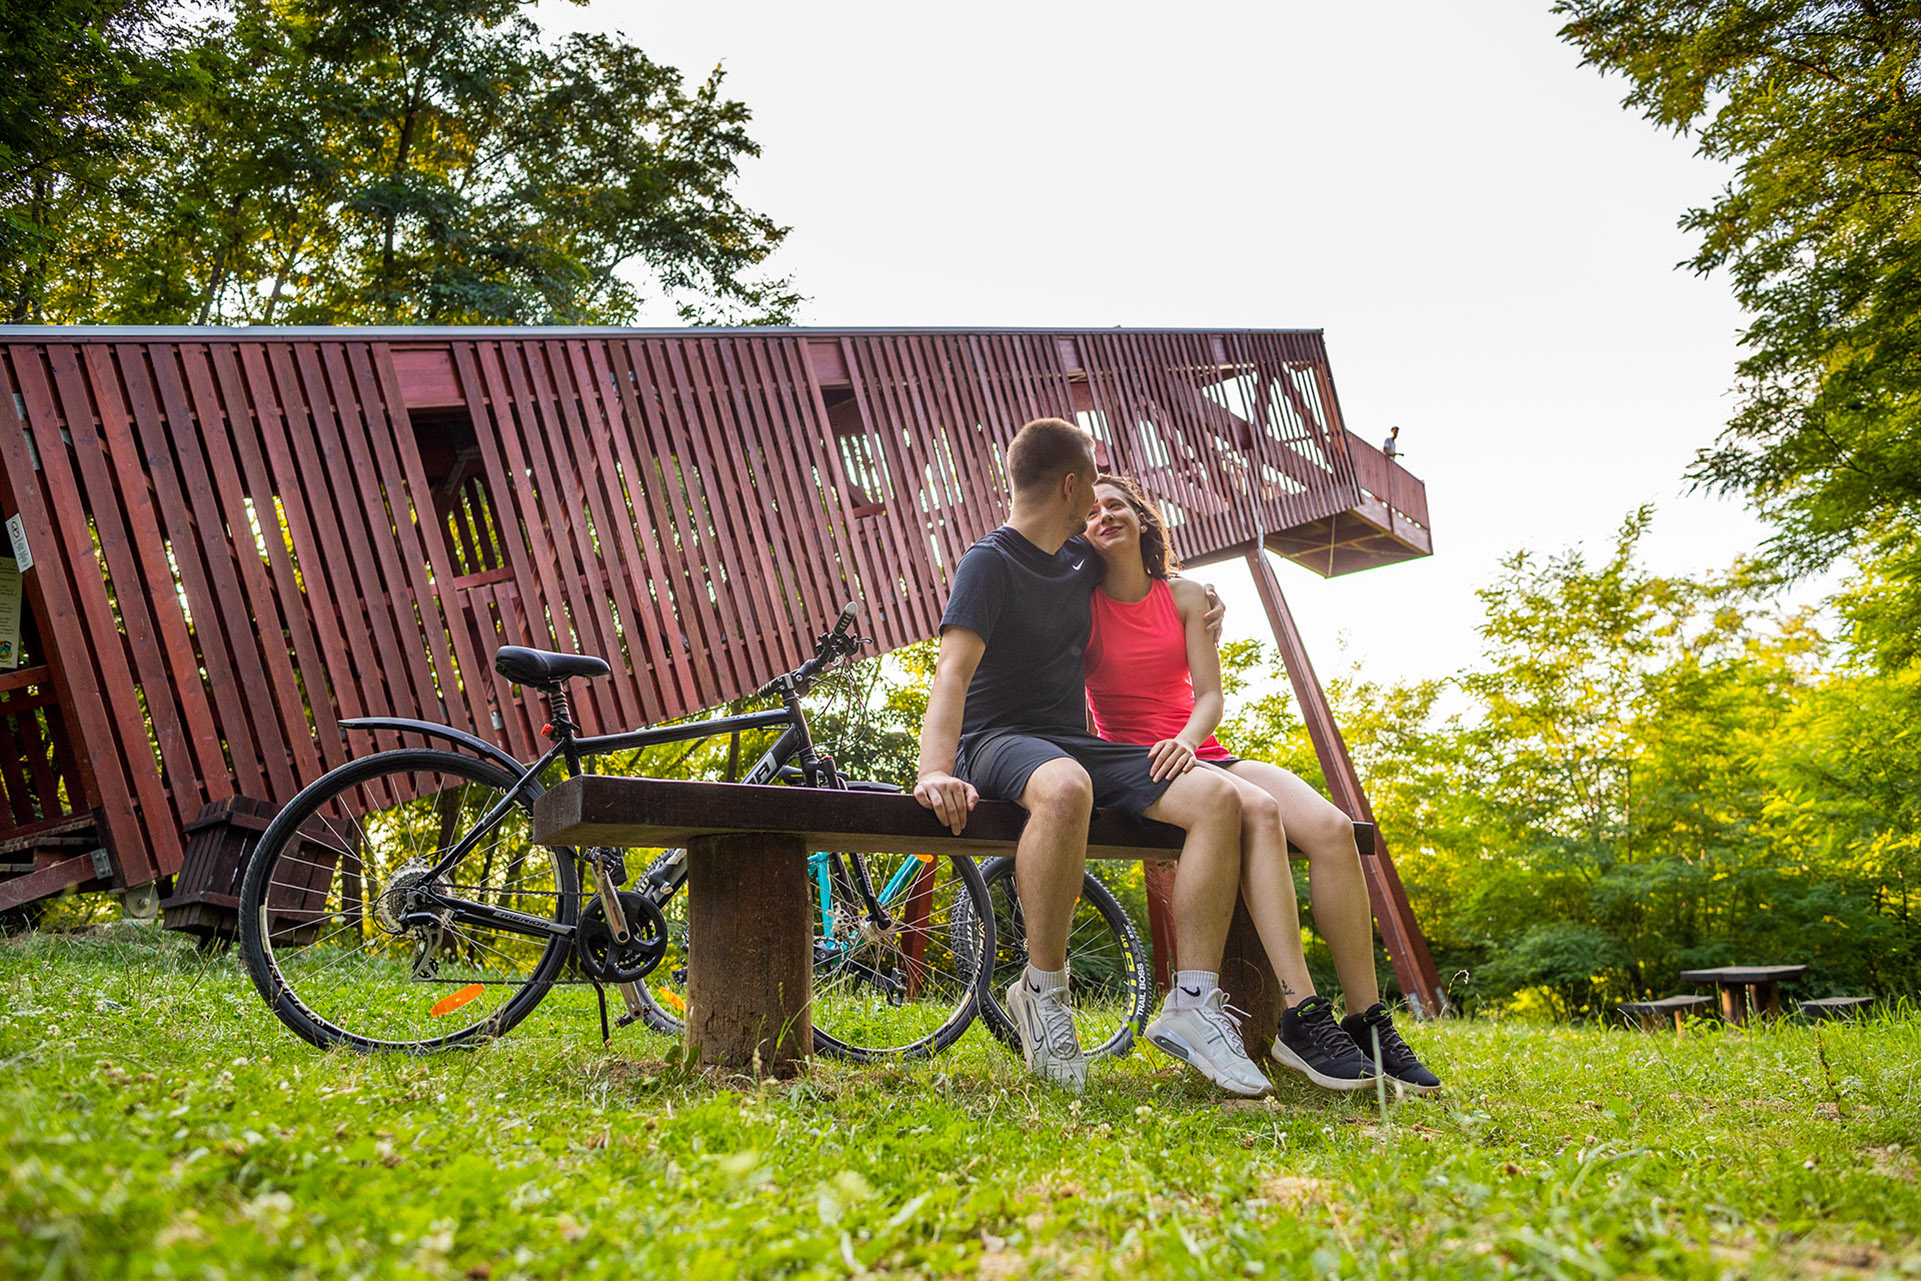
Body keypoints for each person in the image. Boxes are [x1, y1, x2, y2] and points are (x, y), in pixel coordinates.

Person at [914, 418, 1270, 1097]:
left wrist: (1203, 598)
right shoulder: (989, 561)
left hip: (1069, 743)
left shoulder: (1079, 560)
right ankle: (1042, 990)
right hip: (994, 738)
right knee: (1067, 786)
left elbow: (1147, 577)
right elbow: (951, 672)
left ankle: (1193, 1002)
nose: (1099, 507)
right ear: (1072, 484)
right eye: (1093, 486)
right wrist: (936, 768)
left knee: (1216, 798)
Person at [1081, 474, 1441, 1095]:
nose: (1103, 515)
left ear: (1143, 519)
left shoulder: (1188, 596)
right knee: (1261, 813)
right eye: (1089, 512)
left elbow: (1210, 695)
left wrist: (1190, 740)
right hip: (1138, 767)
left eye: (1115, 505)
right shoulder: (1078, 603)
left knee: (1334, 830)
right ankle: (1300, 1013)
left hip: (1199, 752)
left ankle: (1366, 1021)